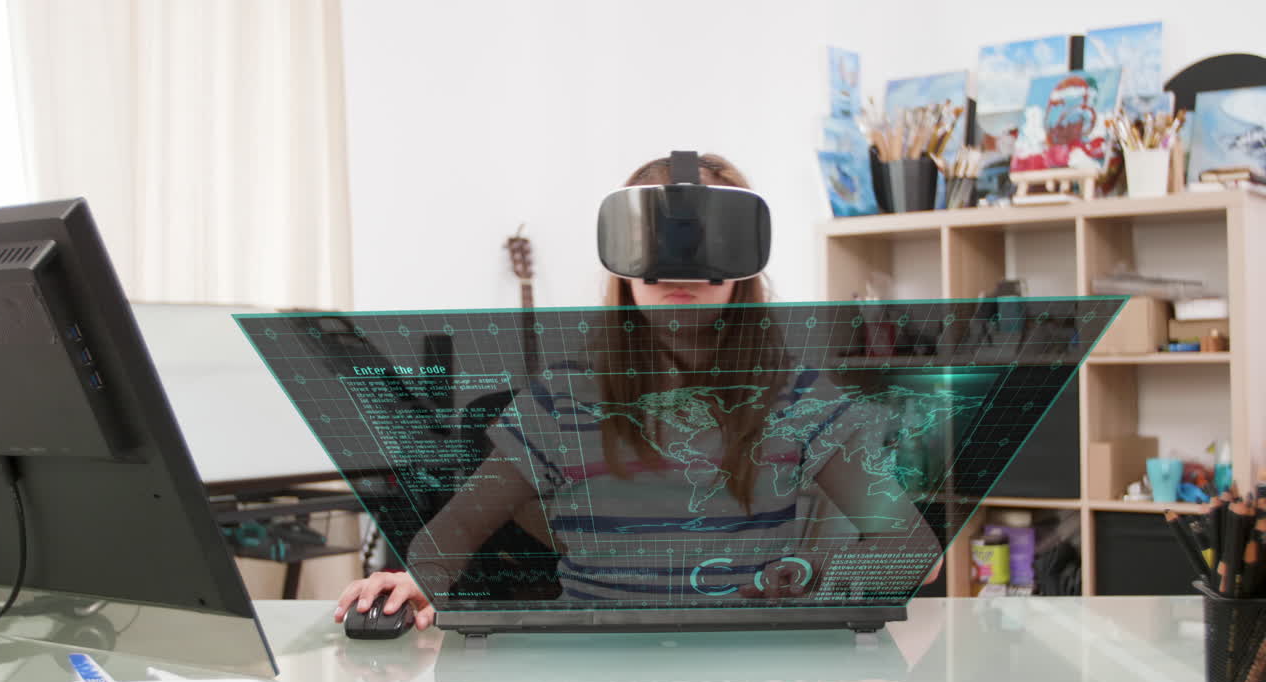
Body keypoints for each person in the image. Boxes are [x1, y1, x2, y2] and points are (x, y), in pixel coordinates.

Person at [335, 153, 941, 632]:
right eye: (659, 248)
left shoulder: (799, 397)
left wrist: (807, 576)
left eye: (702, 247)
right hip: (596, 669)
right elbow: (458, 528)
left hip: (749, 668)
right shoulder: (563, 398)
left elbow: (914, 548)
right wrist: (416, 581)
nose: (680, 274)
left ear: (742, 263)